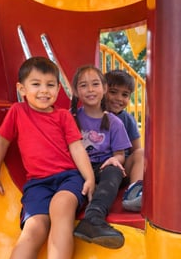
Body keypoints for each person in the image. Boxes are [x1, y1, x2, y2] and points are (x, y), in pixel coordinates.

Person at [0, 57, 95, 259]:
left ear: (58, 89)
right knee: (34, 227)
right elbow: (1, 142)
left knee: (61, 206)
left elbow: (76, 148)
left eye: (50, 85)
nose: (44, 90)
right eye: (36, 84)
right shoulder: (17, 112)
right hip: (37, 184)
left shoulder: (63, 116)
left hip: (69, 177)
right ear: (22, 89)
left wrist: (89, 177)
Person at [70, 65, 132, 249]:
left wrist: (115, 160)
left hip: (103, 167)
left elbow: (120, 154)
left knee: (114, 171)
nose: (90, 90)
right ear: (76, 91)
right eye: (84, 85)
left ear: (104, 89)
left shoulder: (115, 122)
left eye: (95, 84)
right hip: (79, 168)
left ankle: (94, 217)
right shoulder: (71, 118)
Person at [105, 70, 144, 212]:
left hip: (122, 170)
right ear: (103, 90)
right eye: (113, 92)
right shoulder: (93, 115)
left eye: (125, 95)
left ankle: (134, 193)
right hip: (98, 169)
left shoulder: (127, 119)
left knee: (141, 153)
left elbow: (136, 149)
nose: (119, 98)